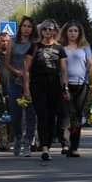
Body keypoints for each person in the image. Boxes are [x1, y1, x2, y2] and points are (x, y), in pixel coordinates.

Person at [23, 19, 68, 162]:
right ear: (41, 31)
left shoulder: (60, 49)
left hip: (54, 85)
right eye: (45, 29)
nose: (48, 31)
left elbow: (63, 70)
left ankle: (48, 143)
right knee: (42, 115)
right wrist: (26, 88)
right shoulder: (34, 47)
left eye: (50, 29)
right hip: (38, 85)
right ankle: (44, 148)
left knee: (51, 117)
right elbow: (26, 70)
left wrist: (65, 88)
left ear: (55, 31)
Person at [60, 20, 92, 158]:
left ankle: (74, 147)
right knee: (66, 115)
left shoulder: (85, 47)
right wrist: (63, 86)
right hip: (66, 85)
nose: (73, 33)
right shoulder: (61, 47)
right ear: (66, 32)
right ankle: (65, 143)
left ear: (79, 33)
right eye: (70, 31)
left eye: (75, 31)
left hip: (82, 85)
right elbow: (61, 68)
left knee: (77, 116)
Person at [5, 17, 37, 156]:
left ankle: (28, 142)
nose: (26, 28)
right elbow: (6, 62)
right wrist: (16, 72)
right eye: (24, 26)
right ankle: (18, 137)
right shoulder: (13, 42)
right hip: (15, 81)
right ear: (20, 28)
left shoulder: (35, 44)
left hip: (31, 82)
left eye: (29, 26)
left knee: (31, 114)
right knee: (15, 113)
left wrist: (27, 74)